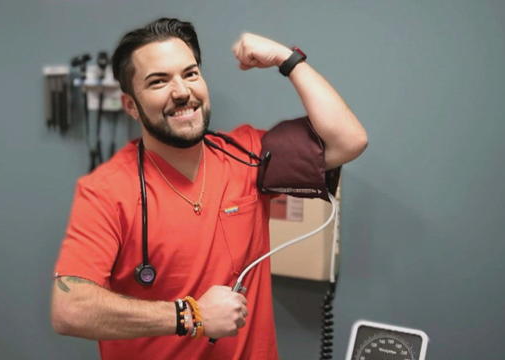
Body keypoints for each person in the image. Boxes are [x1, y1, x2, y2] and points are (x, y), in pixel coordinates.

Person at [51, 17, 367, 360]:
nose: (182, 92)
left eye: (190, 74)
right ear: (131, 106)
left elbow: (349, 140)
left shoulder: (247, 153)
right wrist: (190, 316)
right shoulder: (105, 190)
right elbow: (69, 309)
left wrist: (285, 59)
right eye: (158, 82)